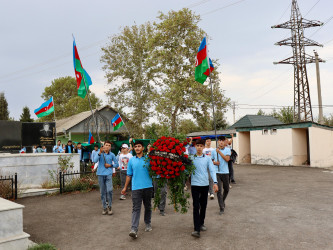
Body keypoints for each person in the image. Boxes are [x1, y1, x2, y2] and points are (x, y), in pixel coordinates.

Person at [121, 141, 153, 239]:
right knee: (136, 208)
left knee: (147, 206)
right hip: (136, 188)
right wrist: (125, 187)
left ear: (143, 148)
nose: (137, 148)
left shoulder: (148, 159)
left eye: (139, 146)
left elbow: (155, 170)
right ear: (134, 148)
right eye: (135, 147)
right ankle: (134, 229)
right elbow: (129, 175)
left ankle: (147, 223)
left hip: (148, 187)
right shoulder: (131, 160)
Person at [190, 139, 218, 238]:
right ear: (195, 147)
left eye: (201, 146)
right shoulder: (191, 158)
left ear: (203, 147)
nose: (199, 147)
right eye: (197, 145)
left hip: (205, 185)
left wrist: (215, 182)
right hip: (194, 185)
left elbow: (212, 170)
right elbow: (185, 170)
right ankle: (196, 229)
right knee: (196, 206)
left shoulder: (207, 158)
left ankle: (201, 223)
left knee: (203, 205)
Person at [93, 141, 119, 215]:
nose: (107, 146)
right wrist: (99, 153)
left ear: (110, 147)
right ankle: (104, 207)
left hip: (108, 174)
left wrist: (110, 165)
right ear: (103, 146)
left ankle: (110, 206)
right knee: (102, 192)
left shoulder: (112, 154)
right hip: (100, 174)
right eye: (106, 145)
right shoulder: (99, 153)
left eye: (109, 145)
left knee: (109, 190)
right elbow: (94, 161)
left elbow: (116, 164)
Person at [211, 136, 231, 215]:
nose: (221, 142)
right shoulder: (213, 151)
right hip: (217, 172)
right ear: (218, 142)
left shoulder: (227, 150)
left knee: (226, 189)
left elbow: (227, 159)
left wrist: (219, 152)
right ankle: (221, 207)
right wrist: (215, 163)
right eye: (220, 140)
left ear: (225, 141)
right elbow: (211, 161)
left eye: (223, 140)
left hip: (225, 172)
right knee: (219, 190)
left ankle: (222, 201)